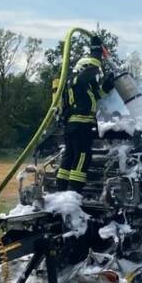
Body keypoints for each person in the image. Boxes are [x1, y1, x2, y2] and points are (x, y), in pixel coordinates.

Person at [58, 34, 113, 192]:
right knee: (82, 156)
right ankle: (74, 192)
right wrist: (96, 51)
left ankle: (61, 190)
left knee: (69, 156)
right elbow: (93, 68)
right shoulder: (78, 79)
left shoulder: (81, 86)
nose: (94, 75)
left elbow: (95, 97)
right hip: (81, 125)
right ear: (84, 69)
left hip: (73, 125)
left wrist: (107, 86)